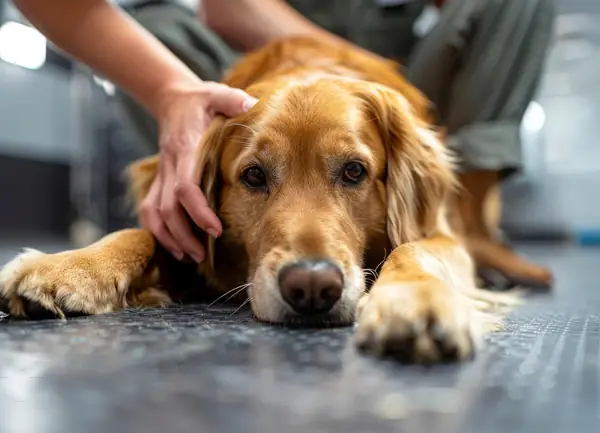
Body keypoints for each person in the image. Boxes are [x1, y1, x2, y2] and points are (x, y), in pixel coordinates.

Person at [13, 0, 555, 266]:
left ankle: (467, 220)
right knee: (156, 23)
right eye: (253, 176)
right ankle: (183, 222)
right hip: (256, 61)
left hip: (400, 74)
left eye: (353, 170)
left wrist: (379, 93)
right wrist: (339, 69)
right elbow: (227, 8)